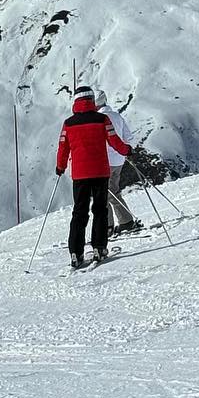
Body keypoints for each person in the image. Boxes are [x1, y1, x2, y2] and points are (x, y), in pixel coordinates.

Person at [55, 86, 132, 268]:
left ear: (76, 101)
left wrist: (60, 166)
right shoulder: (102, 119)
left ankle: (76, 252)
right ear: (91, 100)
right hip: (100, 171)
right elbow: (114, 142)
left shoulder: (69, 123)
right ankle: (99, 248)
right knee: (100, 210)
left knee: (79, 212)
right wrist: (127, 150)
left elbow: (63, 147)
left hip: (80, 174)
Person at [95, 85, 141, 235]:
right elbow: (128, 137)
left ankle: (117, 224)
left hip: (105, 161)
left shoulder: (100, 119)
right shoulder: (116, 115)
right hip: (119, 160)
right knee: (111, 191)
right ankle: (119, 223)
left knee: (106, 193)